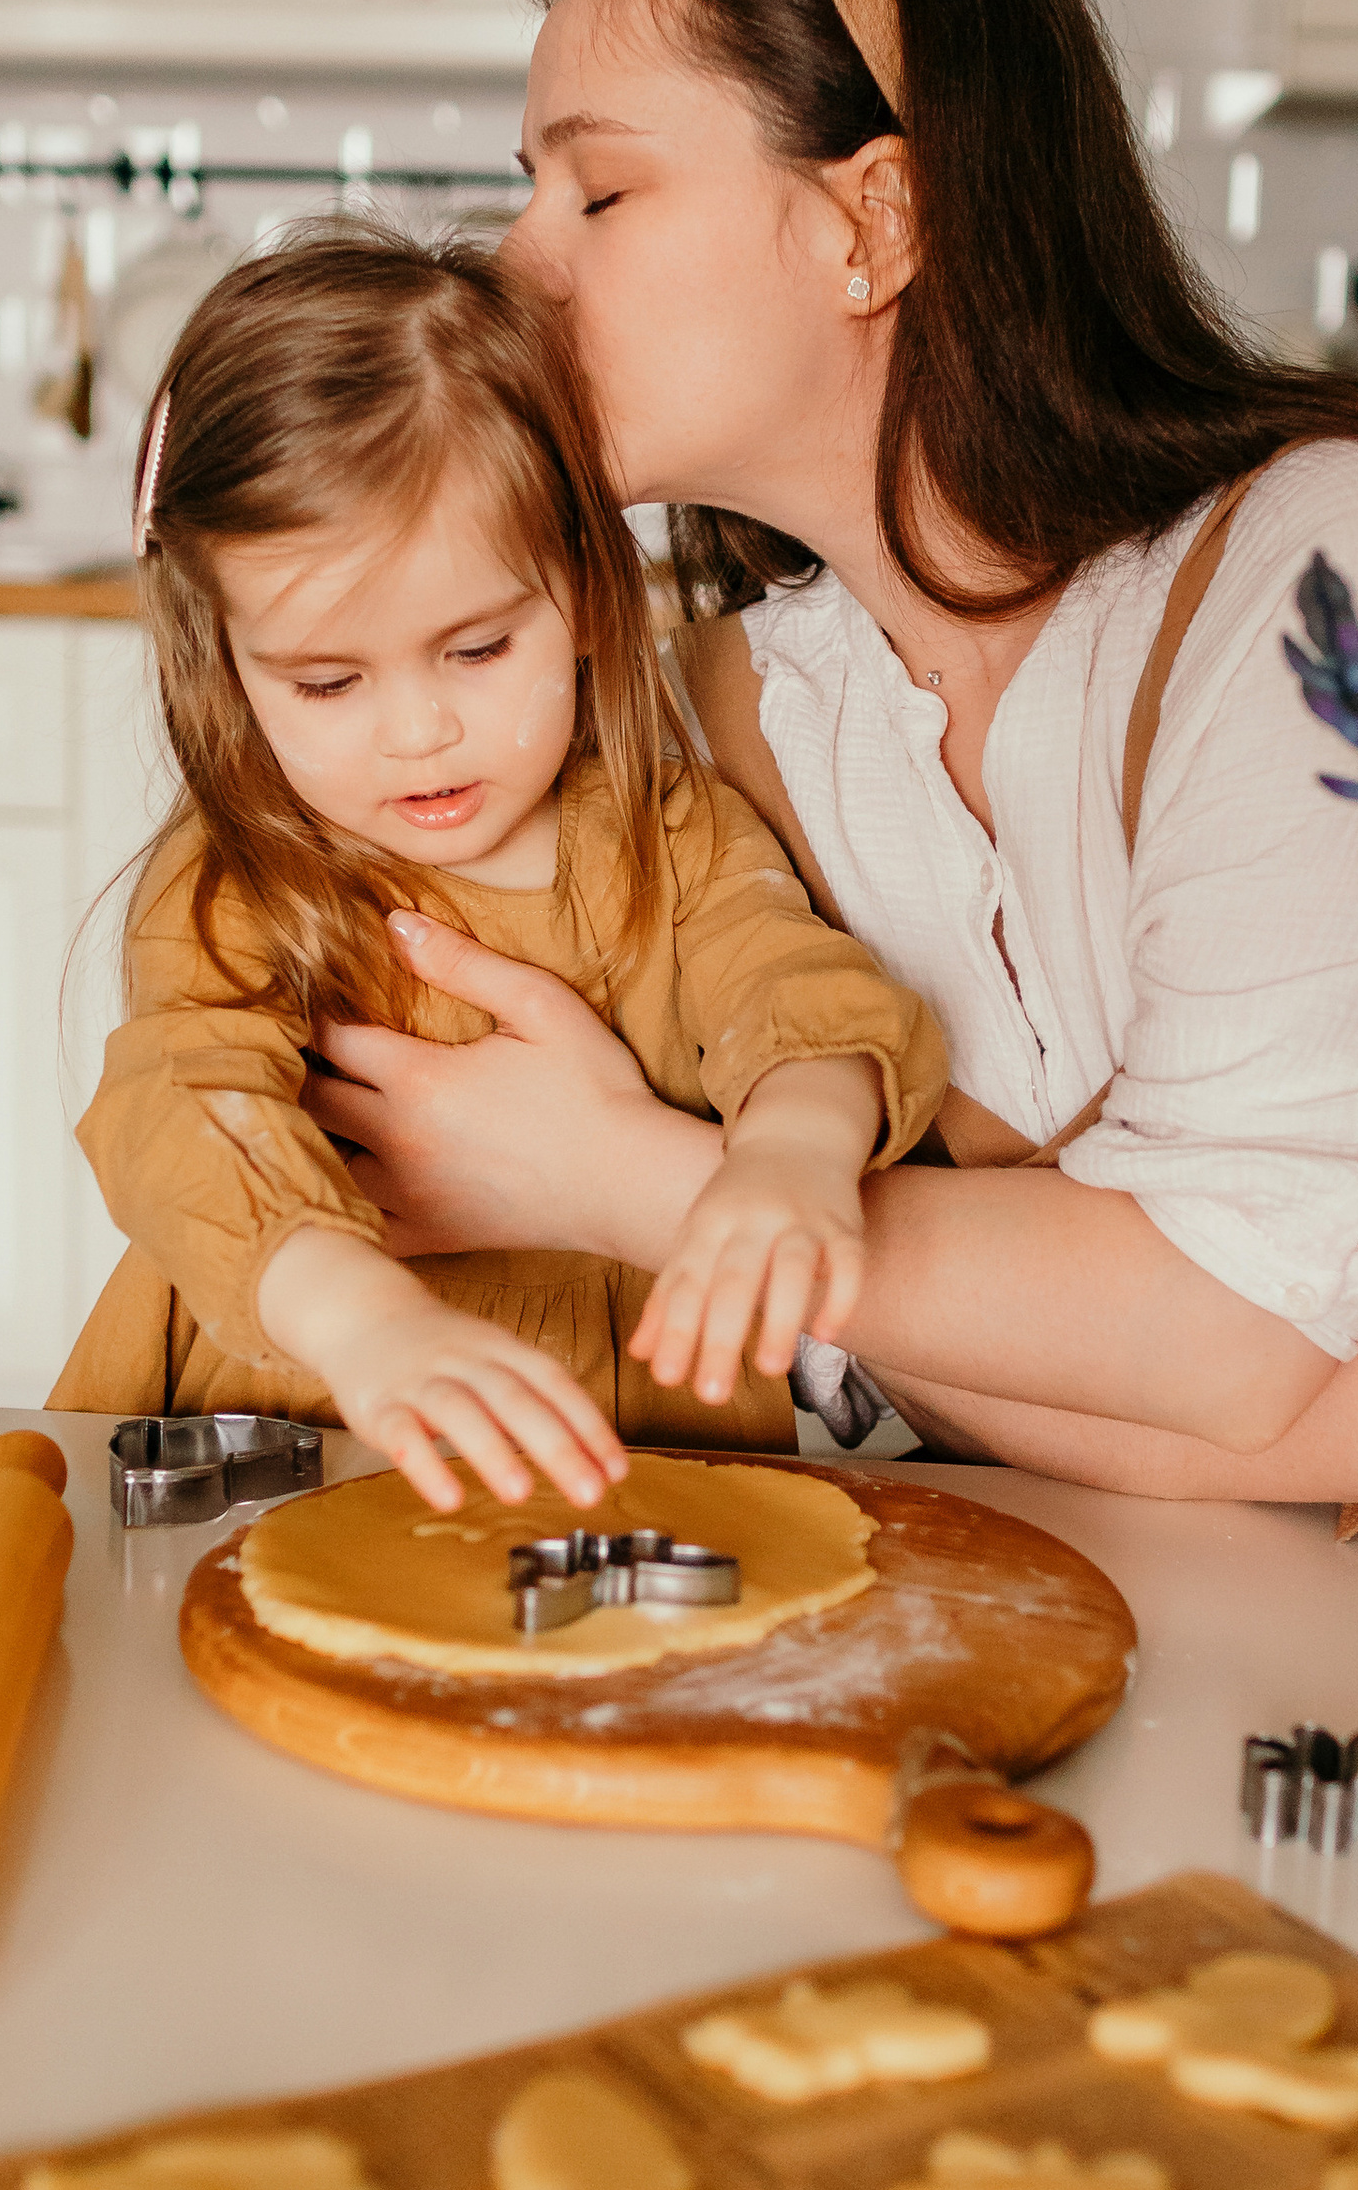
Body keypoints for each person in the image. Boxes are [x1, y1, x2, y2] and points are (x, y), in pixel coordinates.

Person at [268, 0, 1358, 1548]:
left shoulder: (1327, 576)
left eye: (597, 188)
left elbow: (1221, 1330)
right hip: (1094, 1587)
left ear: (873, 221)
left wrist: (610, 1173)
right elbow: (881, 1353)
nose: (511, 264)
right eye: (524, 188)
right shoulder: (739, 711)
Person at [51, 227, 949, 1512]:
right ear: (229, 665)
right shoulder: (235, 880)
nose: (418, 731)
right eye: (326, 681)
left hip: (631, 1445)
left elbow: (798, 996)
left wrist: (795, 1152)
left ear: (583, 592)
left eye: (476, 649)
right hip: (289, 1426)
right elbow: (182, 1110)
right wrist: (360, 1316)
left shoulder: (669, 835)